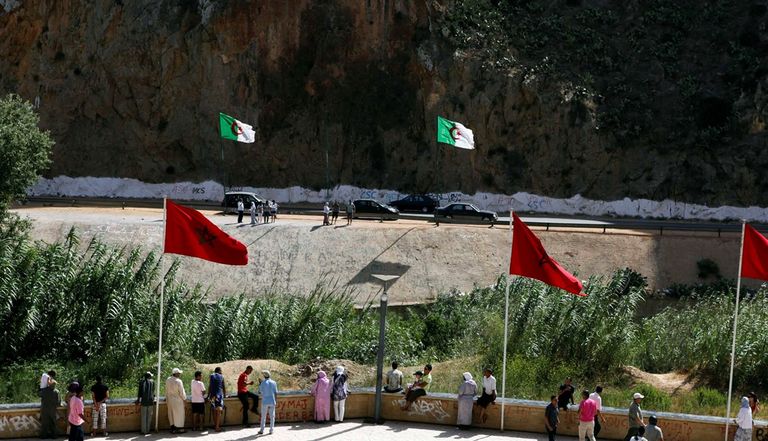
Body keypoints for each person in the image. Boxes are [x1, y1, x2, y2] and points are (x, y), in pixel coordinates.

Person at [166, 367, 186, 434]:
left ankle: (173, 429)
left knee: (171, 414)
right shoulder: (178, 381)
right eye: (179, 373)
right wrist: (184, 399)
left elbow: (166, 390)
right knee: (179, 415)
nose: (180, 374)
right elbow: (181, 392)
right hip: (178, 400)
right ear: (176, 374)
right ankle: (180, 429)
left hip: (170, 400)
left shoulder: (168, 380)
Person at [258, 370, 278, 435]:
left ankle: (262, 430)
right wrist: (275, 401)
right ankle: (271, 430)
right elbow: (275, 393)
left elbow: (260, 392)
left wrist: (260, 383)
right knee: (272, 416)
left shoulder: (263, 383)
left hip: (265, 401)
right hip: (272, 401)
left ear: (264, 375)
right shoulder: (274, 382)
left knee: (263, 416)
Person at [207, 367, 226, 432]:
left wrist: (208, 395)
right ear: (219, 371)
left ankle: (215, 425)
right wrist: (225, 395)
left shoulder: (211, 376)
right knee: (219, 410)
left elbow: (210, 386)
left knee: (214, 410)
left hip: (212, 395)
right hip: (219, 395)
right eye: (221, 370)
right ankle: (217, 427)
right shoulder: (221, 376)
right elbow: (223, 386)